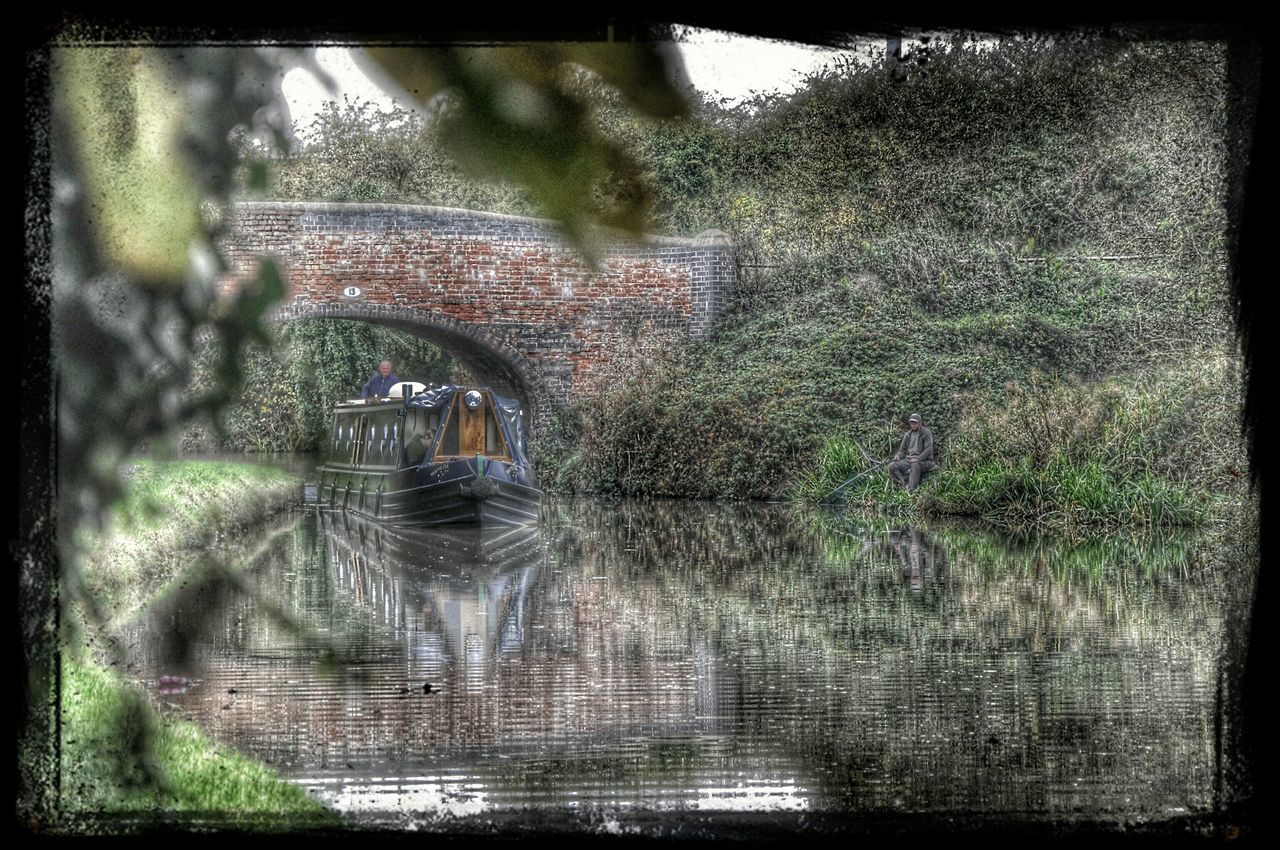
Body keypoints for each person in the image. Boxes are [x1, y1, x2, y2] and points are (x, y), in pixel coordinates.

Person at [888, 413, 936, 491]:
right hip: (909, 460)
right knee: (892, 466)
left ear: (920, 423)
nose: (913, 424)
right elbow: (903, 450)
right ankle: (903, 485)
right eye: (911, 422)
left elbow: (928, 449)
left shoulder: (926, 433)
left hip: (925, 461)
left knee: (915, 464)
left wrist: (918, 458)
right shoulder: (907, 435)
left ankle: (912, 489)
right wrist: (898, 455)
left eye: (915, 422)